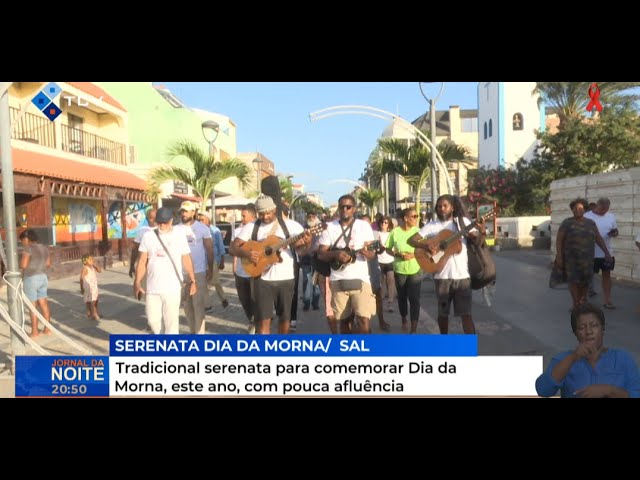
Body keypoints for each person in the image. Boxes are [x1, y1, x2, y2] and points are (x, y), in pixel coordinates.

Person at [230, 195, 310, 335]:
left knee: (285, 319)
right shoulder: (251, 227)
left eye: (268, 212)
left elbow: (302, 252)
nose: (265, 216)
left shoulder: (291, 226)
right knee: (263, 320)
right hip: (261, 280)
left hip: (286, 278)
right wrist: (247, 254)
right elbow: (233, 248)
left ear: (275, 209)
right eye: (261, 213)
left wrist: (308, 242)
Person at [409, 195, 484, 335]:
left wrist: (481, 231)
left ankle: (470, 349)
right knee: (443, 314)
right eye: (439, 206)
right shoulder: (432, 225)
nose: (442, 209)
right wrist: (425, 247)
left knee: (466, 315)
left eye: (445, 206)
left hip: (462, 277)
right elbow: (411, 241)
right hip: (441, 276)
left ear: (452, 207)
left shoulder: (463, 223)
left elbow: (478, 242)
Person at [535, 303, 640, 398]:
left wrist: (609, 390)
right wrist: (573, 357)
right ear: (575, 333)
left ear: (603, 329)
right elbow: (543, 390)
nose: (588, 331)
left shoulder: (623, 358)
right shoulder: (563, 360)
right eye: (581, 328)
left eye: (594, 326)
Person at [317, 194, 377, 334]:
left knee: (364, 320)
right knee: (343, 322)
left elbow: (372, 251)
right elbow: (321, 254)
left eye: (348, 207)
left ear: (354, 209)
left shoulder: (363, 226)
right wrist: (336, 254)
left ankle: (365, 351)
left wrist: (369, 253)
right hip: (338, 280)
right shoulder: (330, 227)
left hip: (361, 280)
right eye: (342, 207)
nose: (345, 209)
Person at [134, 207, 197, 334]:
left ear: (171, 221)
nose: (161, 225)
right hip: (152, 288)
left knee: (171, 323)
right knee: (153, 321)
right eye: (159, 222)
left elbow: (186, 258)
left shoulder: (179, 236)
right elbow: (142, 261)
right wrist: (137, 282)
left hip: (172, 288)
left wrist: (192, 279)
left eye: (164, 222)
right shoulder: (148, 236)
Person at [555, 198, 612, 310]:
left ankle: (582, 300)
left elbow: (598, 238)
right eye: (575, 208)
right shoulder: (567, 223)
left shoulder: (590, 223)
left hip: (587, 258)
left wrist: (607, 253)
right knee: (573, 280)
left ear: (585, 209)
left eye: (581, 208)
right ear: (572, 209)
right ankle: (576, 303)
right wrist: (560, 256)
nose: (578, 210)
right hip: (571, 258)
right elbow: (559, 240)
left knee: (585, 280)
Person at [176, 201, 214, 334]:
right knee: (187, 306)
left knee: (198, 306)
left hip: (198, 272)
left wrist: (210, 269)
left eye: (186, 211)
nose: (183, 214)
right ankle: (193, 333)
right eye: (182, 211)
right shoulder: (175, 229)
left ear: (193, 212)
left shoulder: (203, 228)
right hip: (181, 274)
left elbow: (209, 249)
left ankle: (200, 336)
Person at [386, 208, 422, 333]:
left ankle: (414, 328)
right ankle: (404, 319)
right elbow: (388, 248)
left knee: (414, 299)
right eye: (414, 216)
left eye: (417, 216)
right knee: (402, 297)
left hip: (415, 269)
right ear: (406, 218)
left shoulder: (418, 232)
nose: (417, 218)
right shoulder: (395, 232)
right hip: (400, 270)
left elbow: (424, 249)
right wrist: (398, 255)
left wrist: (412, 256)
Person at [584, 197, 618, 308]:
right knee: (588, 276)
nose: (604, 212)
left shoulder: (611, 216)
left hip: (607, 252)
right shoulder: (587, 216)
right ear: (596, 206)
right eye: (602, 209)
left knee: (607, 275)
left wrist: (614, 233)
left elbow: (616, 230)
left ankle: (607, 300)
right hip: (591, 253)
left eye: (606, 209)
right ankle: (583, 300)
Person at [360, 214, 390, 333]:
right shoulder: (353, 235)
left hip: (372, 267)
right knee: (360, 297)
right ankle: (363, 324)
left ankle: (381, 320)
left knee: (377, 294)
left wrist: (380, 247)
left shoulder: (375, 234)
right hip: (358, 270)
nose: (364, 225)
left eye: (367, 223)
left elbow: (381, 250)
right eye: (362, 223)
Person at [19, 229, 52, 337]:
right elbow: (48, 264)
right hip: (43, 277)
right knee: (44, 304)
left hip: (30, 278)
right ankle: (47, 329)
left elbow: (23, 265)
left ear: (27, 239)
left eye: (22, 240)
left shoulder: (28, 249)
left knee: (32, 306)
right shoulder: (44, 248)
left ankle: (34, 332)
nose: (22, 242)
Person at [231, 203, 257, 333]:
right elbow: (232, 250)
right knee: (244, 300)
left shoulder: (258, 230)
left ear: (252, 216)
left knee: (255, 300)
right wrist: (234, 266)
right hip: (241, 273)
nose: (242, 218)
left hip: (255, 273)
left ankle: (256, 323)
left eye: (244, 216)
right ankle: (251, 319)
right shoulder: (237, 231)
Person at [197, 210, 229, 311]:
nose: (200, 222)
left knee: (215, 281)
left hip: (213, 260)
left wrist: (222, 261)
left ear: (208, 220)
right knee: (203, 283)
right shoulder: (196, 231)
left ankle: (223, 298)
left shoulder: (215, 230)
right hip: (201, 261)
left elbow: (220, 246)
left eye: (202, 220)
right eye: (199, 220)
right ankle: (207, 305)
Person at [300, 212, 321, 312]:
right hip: (306, 259)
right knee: (306, 281)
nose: (311, 218)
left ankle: (315, 303)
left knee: (316, 282)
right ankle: (306, 303)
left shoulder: (320, 228)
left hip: (317, 259)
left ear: (316, 217)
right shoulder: (302, 228)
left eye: (313, 216)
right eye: (309, 216)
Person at [376, 215, 396, 313]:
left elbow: (395, 246)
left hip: (390, 260)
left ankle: (390, 302)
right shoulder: (376, 234)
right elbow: (373, 247)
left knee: (390, 280)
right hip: (379, 260)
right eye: (382, 222)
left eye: (385, 222)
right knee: (381, 282)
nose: (383, 224)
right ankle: (380, 302)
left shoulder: (392, 234)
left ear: (389, 224)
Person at [129, 208, 157, 278]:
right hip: (145, 264)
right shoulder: (142, 231)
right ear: (147, 219)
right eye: (151, 218)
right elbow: (135, 249)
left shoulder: (163, 230)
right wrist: (132, 265)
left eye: (156, 217)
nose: (154, 220)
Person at [80, 254, 102, 321]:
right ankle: (93, 313)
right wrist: (81, 288)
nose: (92, 260)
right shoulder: (85, 268)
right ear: (85, 261)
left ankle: (92, 312)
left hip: (94, 286)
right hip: (88, 287)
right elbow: (81, 278)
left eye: (92, 259)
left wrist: (96, 266)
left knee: (95, 299)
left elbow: (100, 271)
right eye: (90, 260)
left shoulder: (92, 267)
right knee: (91, 300)